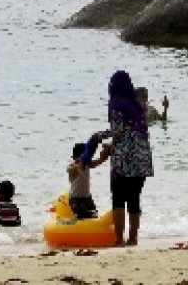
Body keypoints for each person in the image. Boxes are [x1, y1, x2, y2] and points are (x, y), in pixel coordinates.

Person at [89, 70, 154, 247]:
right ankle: (133, 238)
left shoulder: (116, 103)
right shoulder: (137, 105)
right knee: (134, 198)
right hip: (142, 157)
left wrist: (99, 136)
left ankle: (119, 239)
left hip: (123, 159)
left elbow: (117, 131)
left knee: (118, 198)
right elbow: (135, 132)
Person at [68, 141, 111, 219]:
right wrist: (84, 158)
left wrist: (106, 151)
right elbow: (78, 167)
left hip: (87, 198)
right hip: (76, 199)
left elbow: (100, 160)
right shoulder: (72, 167)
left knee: (94, 216)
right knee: (85, 216)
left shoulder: (87, 165)